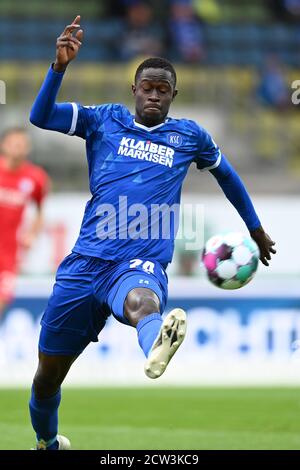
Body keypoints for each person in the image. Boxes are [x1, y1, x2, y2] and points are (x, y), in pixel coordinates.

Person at [29, 15, 276, 450]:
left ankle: (157, 344)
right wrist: (59, 67)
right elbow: (40, 116)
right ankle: (47, 442)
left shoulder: (189, 137)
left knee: (143, 301)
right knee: (47, 375)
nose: (155, 96)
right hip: (85, 263)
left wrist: (254, 229)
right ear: (135, 90)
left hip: (137, 262)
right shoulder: (103, 121)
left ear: (173, 95)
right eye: (149, 88)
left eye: (164, 90)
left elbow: (229, 177)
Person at [0, 127, 49, 319]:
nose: (19, 148)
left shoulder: (35, 178)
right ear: (4, 145)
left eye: (23, 144)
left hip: (9, 253)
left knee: (3, 298)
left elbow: (39, 212)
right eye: (15, 143)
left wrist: (31, 234)